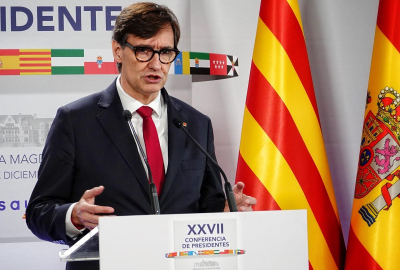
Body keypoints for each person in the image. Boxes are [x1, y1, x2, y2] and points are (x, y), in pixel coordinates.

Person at [26, 2, 256, 270]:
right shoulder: (76, 121)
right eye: (144, 51)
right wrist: (73, 216)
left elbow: (206, 205)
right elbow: (38, 211)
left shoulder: (196, 124)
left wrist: (225, 210)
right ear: (117, 51)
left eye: (166, 52)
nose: (156, 64)